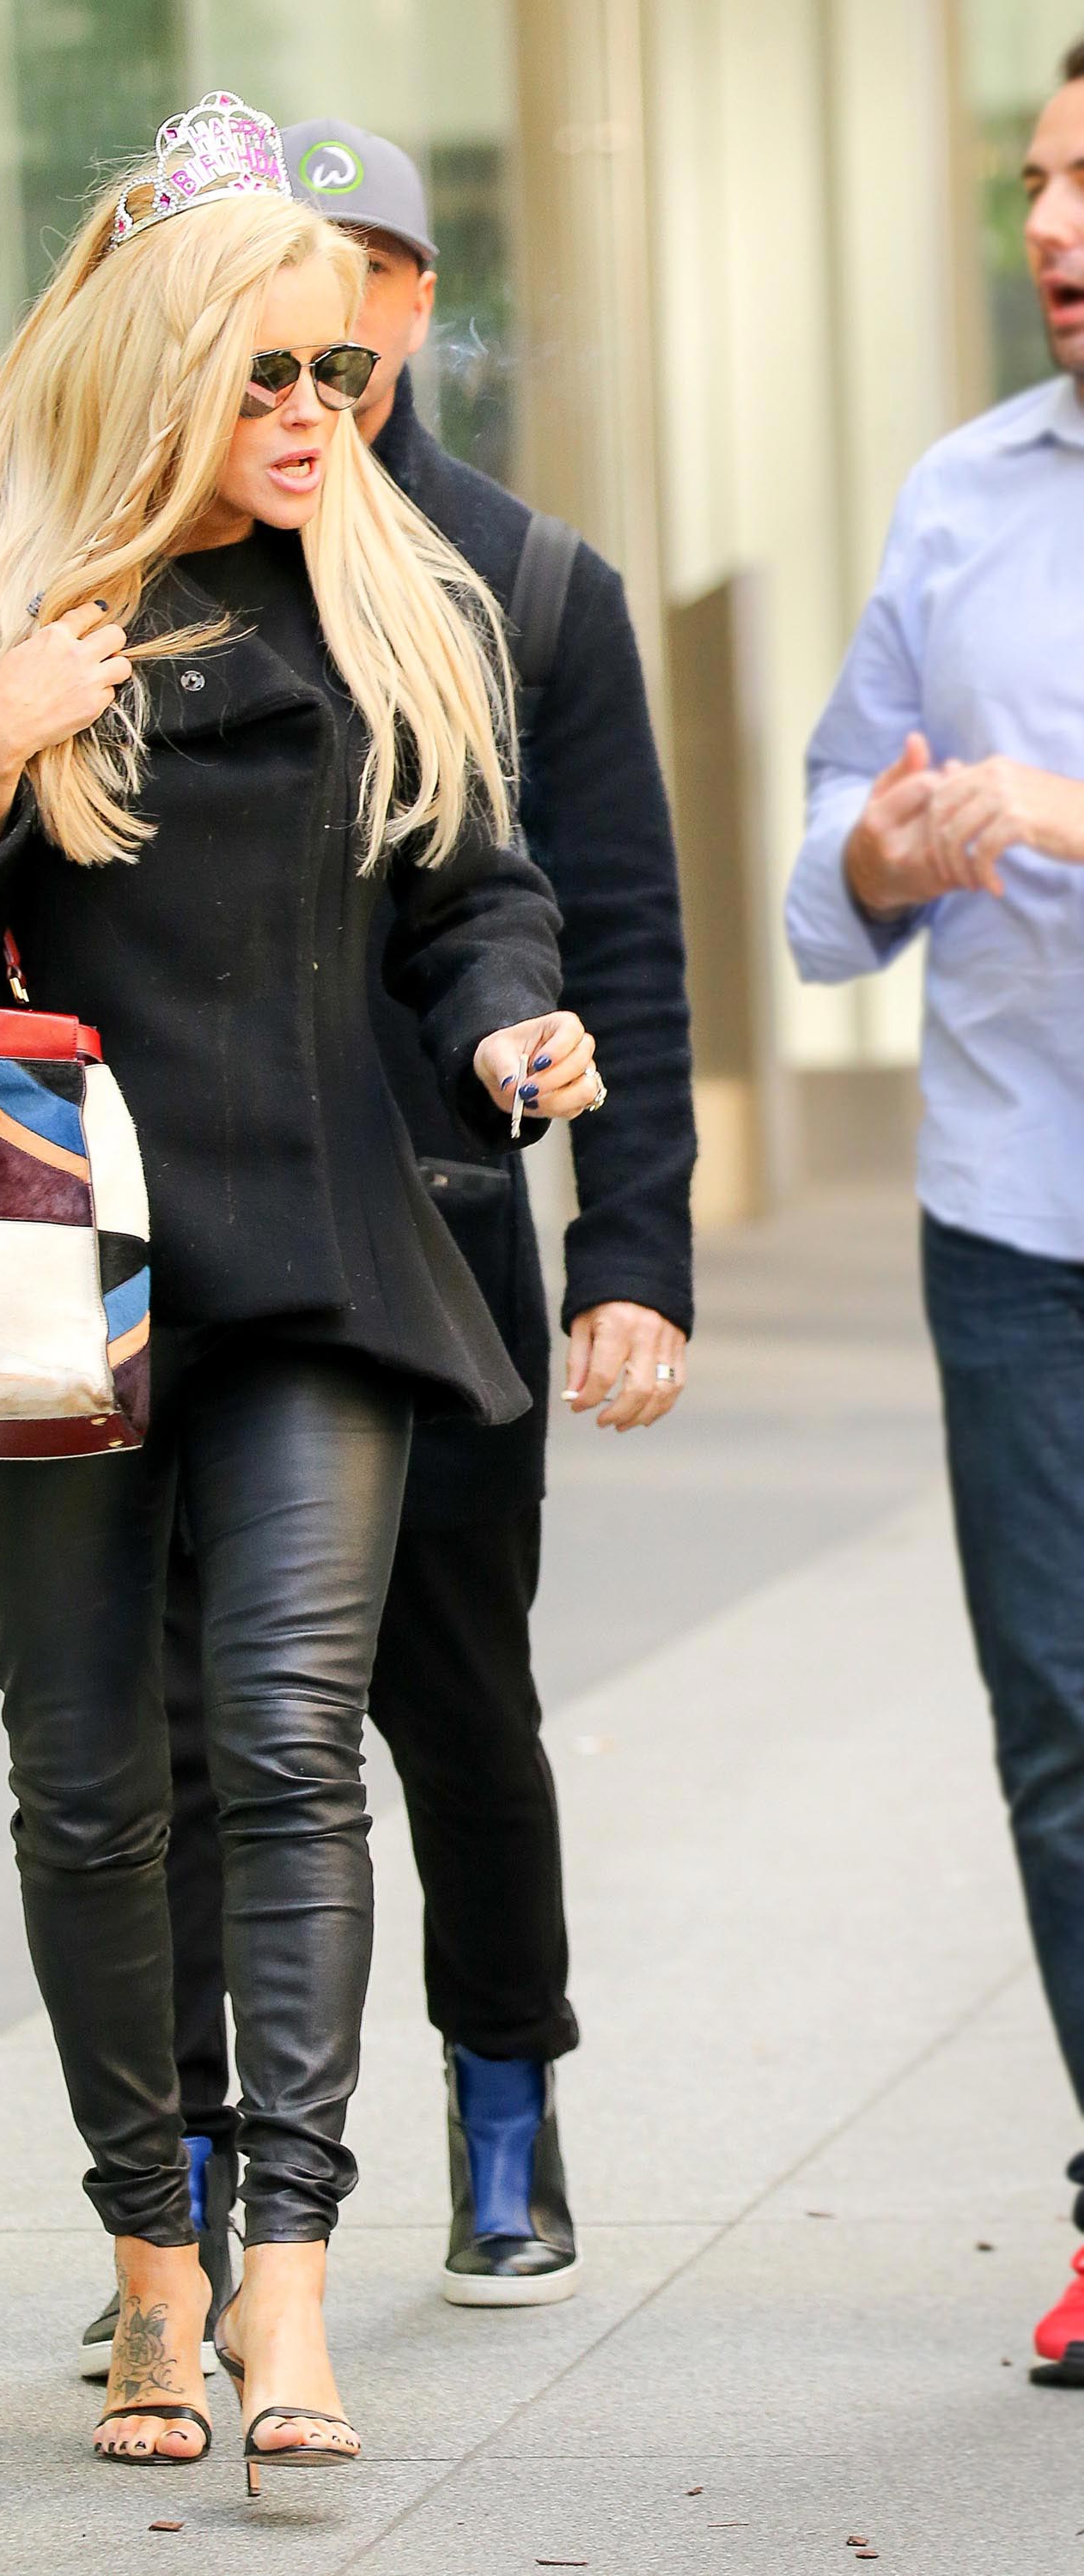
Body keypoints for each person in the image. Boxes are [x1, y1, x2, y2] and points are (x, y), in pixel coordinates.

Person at [0, 117, 696, 2355]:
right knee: (117, 1777)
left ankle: (385, 2188)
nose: (319, 395)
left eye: (342, 352)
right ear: (164, 351)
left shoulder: (452, 585)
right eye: (268, 356)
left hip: (359, 1248)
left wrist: (572, 1133)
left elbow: (523, 907)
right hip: (57, 1267)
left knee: (359, 1727)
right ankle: (162, 2232)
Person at [784, 36, 1084, 2391]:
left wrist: (1061, 812)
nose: (1053, 230)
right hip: (1014, 1208)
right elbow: (830, 831)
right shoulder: (962, 495)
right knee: (1062, 1728)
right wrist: (880, 853)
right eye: (1040, 182)